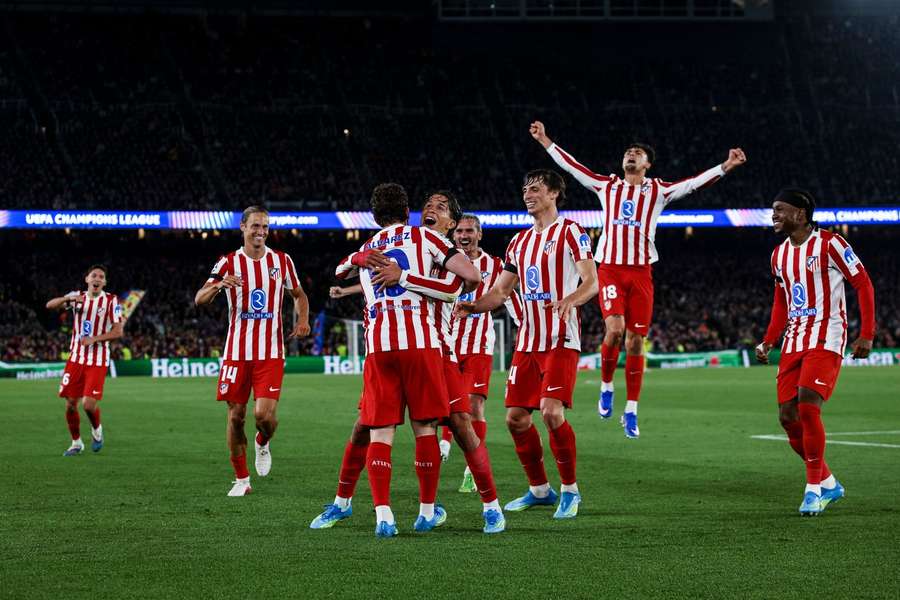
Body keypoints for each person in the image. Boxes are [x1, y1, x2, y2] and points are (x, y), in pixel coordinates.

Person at [530, 120, 746, 437]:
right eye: (628, 152)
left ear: (647, 164)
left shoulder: (658, 190)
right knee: (615, 330)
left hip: (641, 272)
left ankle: (631, 409)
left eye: (638, 153)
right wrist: (545, 141)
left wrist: (726, 166)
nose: (631, 154)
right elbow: (574, 167)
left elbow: (694, 183)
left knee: (634, 341)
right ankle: (606, 386)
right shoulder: (608, 186)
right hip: (611, 269)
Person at [317, 189, 503, 535]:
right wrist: (359, 270)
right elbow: (361, 268)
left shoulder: (442, 249)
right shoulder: (414, 243)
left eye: (442, 207)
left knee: (460, 425)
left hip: (439, 350)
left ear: (452, 222)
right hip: (415, 346)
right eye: (428, 204)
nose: (432, 208)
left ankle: (490, 507)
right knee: (366, 425)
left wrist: (396, 276)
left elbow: (451, 287)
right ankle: (343, 502)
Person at [456, 169, 598, 519]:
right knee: (516, 419)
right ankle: (539, 490)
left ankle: (570, 490)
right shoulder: (518, 242)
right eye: (524, 189)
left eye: (535, 188)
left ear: (553, 194)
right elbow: (502, 291)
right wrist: (473, 305)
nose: (527, 194)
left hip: (560, 338)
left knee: (551, 412)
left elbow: (592, 281)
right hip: (528, 341)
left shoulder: (571, 232)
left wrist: (571, 299)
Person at [755, 189, 875, 516]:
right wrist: (769, 340)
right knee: (787, 417)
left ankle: (813, 491)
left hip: (827, 334)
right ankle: (829, 482)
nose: (774, 215)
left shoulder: (832, 244)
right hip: (794, 340)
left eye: (780, 210)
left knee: (808, 404)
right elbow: (781, 303)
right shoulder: (778, 255)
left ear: (801, 213)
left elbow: (863, 284)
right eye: (773, 210)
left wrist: (867, 333)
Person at [194, 206, 310, 497]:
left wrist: (304, 320)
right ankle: (242, 479)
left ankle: (262, 441)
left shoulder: (282, 261)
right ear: (243, 227)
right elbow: (200, 299)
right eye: (255, 226)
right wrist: (220, 285)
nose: (261, 232)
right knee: (235, 417)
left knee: (264, 416)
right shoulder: (228, 262)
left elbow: (299, 294)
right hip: (236, 352)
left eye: (265, 227)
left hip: (270, 351)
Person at [443, 213, 519, 495]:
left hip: (479, 346)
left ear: (480, 234)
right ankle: (444, 444)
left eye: (470, 231)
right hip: (446, 344)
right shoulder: (441, 261)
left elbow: (508, 296)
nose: (464, 235)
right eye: (460, 231)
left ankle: (471, 469)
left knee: (474, 406)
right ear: (453, 234)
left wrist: (524, 327)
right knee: (450, 407)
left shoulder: (496, 265)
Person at [47, 264, 123, 456]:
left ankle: (97, 431)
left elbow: (118, 331)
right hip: (76, 358)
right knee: (70, 404)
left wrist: (94, 339)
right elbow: (49, 306)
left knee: (88, 404)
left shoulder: (112, 301)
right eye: (94, 275)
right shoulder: (77, 297)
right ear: (87, 279)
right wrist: (69, 299)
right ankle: (76, 443)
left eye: (101, 277)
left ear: (104, 282)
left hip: (97, 359)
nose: (97, 279)